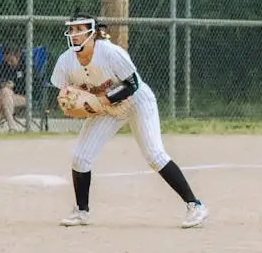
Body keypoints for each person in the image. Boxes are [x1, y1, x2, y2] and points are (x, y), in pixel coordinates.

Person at [50, 12, 208, 229]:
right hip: (106, 108)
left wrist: (100, 100)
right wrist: (72, 105)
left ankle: (195, 205)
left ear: (93, 33)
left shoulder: (110, 52)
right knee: (80, 157)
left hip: (136, 101)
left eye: (80, 29)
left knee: (155, 155)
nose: (75, 34)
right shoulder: (66, 60)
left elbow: (132, 85)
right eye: (72, 30)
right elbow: (65, 94)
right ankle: (81, 211)